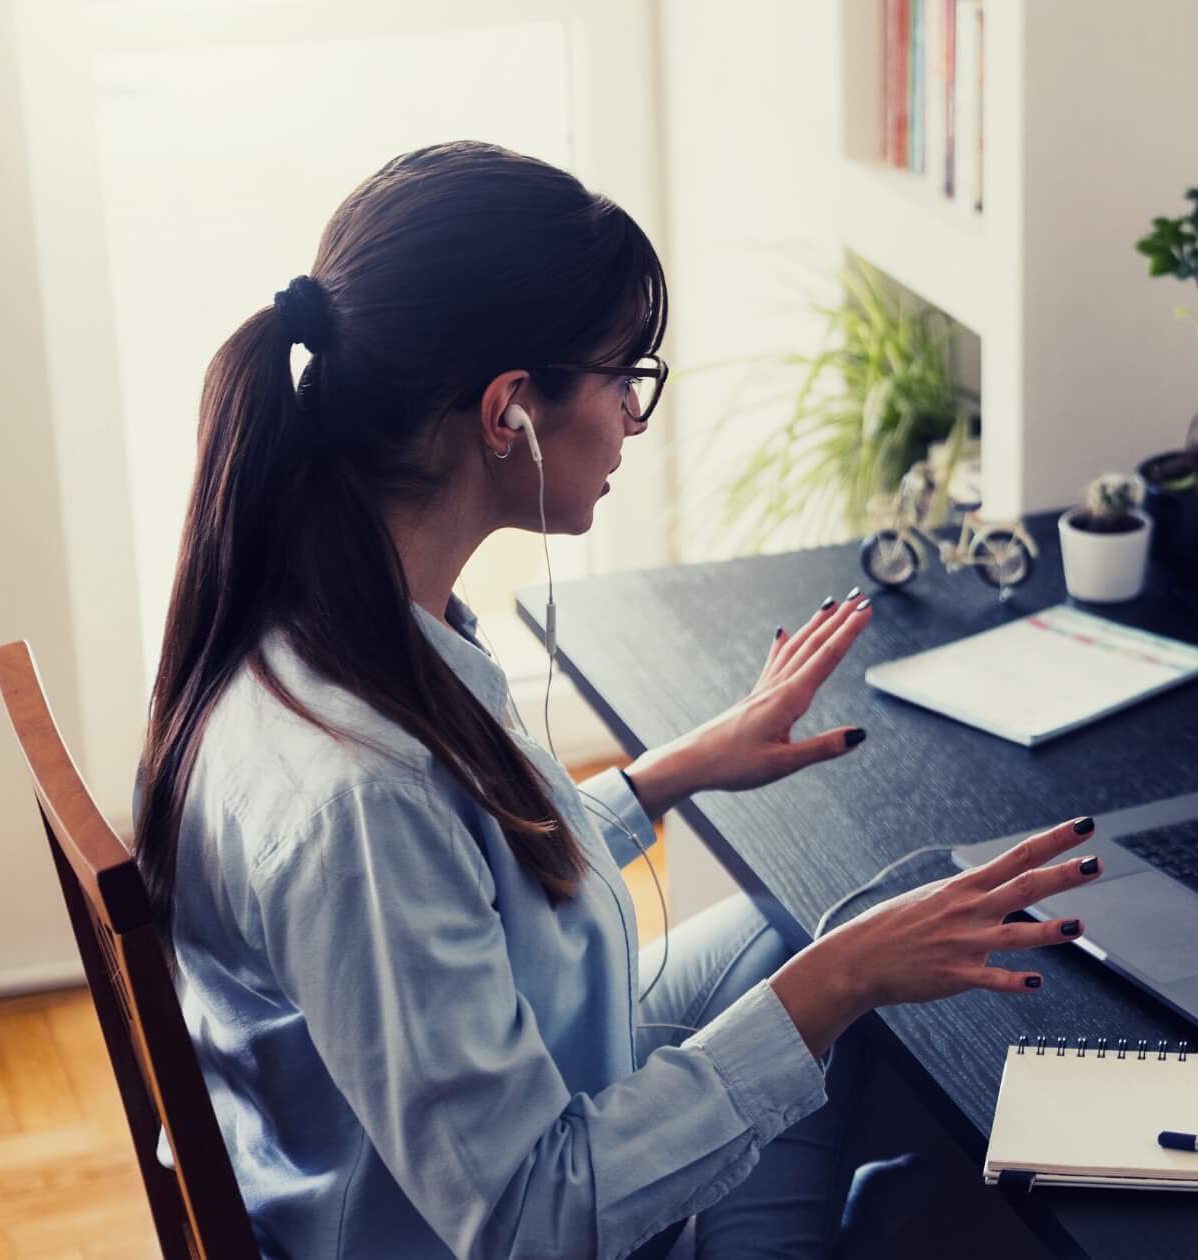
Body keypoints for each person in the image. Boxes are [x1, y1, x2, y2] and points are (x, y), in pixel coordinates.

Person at [134, 141, 1099, 1259]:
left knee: (837, 913)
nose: (637, 421)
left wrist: (667, 774)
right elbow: (529, 1218)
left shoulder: (332, 620)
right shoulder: (361, 793)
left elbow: (466, 886)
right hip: (525, 1217)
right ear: (511, 414)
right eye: (624, 376)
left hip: (501, 1113)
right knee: (852, 979)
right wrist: (838, 985)